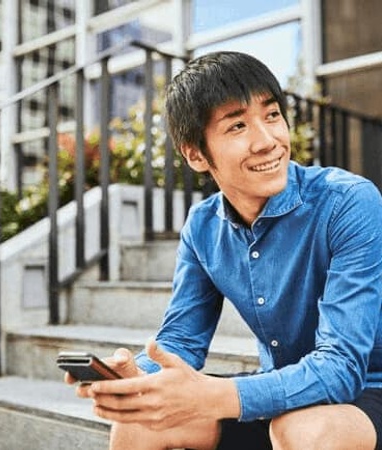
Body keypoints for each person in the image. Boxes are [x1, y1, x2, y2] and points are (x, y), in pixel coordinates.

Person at [65, 51, 382, 450]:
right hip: (279, 395)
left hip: (367, 393)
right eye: (237, 126)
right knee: (143, 421)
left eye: (271, 116)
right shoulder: (202, 227)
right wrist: (136, 377)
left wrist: (213, 397)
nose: (268, 141)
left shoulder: (348, 202)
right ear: (196, 154)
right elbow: (181, 341)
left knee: (304, 431)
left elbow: (341, 368)